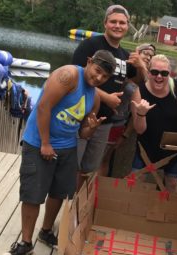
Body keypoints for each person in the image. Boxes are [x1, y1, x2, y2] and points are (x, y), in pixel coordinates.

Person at [2, 50, 116, 255]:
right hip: (39, 143)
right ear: (89, 62)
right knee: (32, 194)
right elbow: (44, 106)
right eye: (97, 71)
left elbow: (82, 132)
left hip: (67, 147)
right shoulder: (68, 75)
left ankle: (46, 231)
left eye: (105, 76)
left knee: (59, 193)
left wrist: (91, 129)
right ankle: (26, 242)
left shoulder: (94, 98)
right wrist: (45, 143)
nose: (99, 78)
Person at [71, 4, 146, 187]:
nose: (117, 26)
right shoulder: (90, 45)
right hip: (81, 116)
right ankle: (66, 203)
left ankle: (78, 206)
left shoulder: (125, 55)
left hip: (105, 122)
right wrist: (107, 98)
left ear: (127, 26)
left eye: (122, 22)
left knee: (89, 168)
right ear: (105, 23)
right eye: (113, 21)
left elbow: (137, 82)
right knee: (72, 165)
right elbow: (76, 76)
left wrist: (140, 66)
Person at [131, 54, 177, 192]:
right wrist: (141, 113)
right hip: (146, 148)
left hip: (175, 150)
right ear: (148, 72)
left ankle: (166, 213)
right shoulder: (139, 93)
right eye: (154, 72)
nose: (159, 76)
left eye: (164, 73)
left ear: (169, 74)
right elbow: (139, 130)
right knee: (136, 182)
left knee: (171, 184)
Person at [100, 43, 156, 177]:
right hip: (102, 118)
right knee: (92, 161)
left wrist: (125, 134)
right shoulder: (123, 69)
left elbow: (150, 95)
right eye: (145, 53)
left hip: (119, 124)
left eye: (151, 55)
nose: (148, 56)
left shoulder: (149, 78)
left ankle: (95, 192)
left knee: (103, 160)